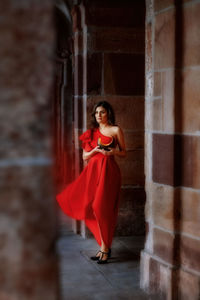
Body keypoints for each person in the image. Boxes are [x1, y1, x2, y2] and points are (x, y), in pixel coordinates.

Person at [56, 101, 126, 264]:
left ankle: (105, 248)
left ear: (108, 112)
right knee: (91, 207)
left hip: (109, 172)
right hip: (92, 172)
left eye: (102, 112)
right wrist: (96, 150)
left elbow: (124, 153)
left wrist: (111, 151)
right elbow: (84, 157)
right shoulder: (91, 133)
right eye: (96, 113)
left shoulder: (116, 130)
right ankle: (104, 247)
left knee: (102, 208)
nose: (99, 115)